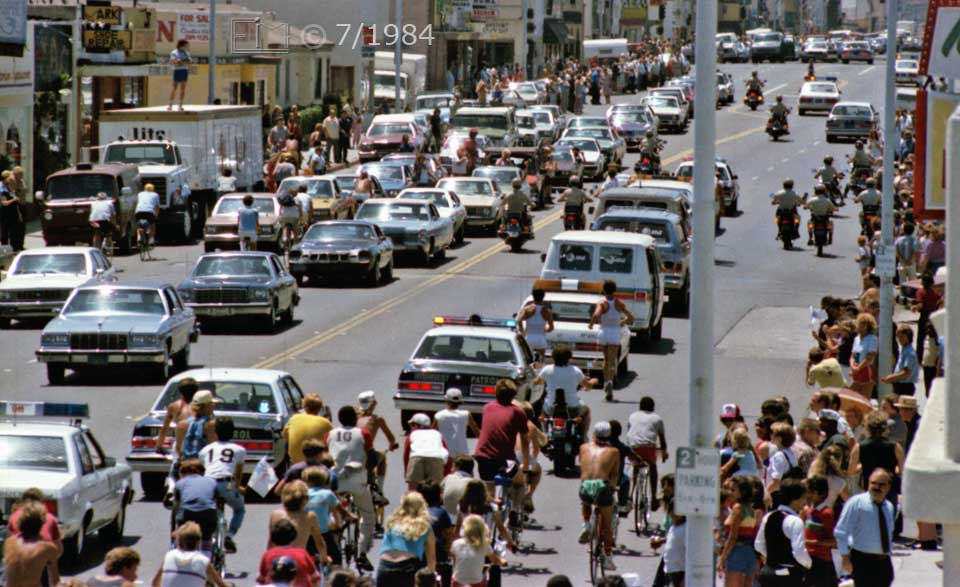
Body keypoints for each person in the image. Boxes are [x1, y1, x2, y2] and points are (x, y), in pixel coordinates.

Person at [327, 406, 376, 571]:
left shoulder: (330, 434)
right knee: (368, 515)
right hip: (356, 480)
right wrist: (370, 476)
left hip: (335, 480)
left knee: (331, 514)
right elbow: (372, 457)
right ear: (355, 419)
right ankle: (362, 553)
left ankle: (334, 546)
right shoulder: (363, 433)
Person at [835, 469, 895, 587]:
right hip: (863, 561)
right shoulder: (856, 503)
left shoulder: (889, 507)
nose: (876, 487)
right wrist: (845, 557)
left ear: (888, 487)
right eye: (873, 483)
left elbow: (888, 533)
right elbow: (841, 531)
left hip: (883, 562)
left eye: (881, 484)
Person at [198, 417, 246, 553]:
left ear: (216, 432)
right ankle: (230, 535)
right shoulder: (239, 450)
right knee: (239, 508)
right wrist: (238, 487)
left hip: (207, 484)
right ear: (232, 432)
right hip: (227, 484)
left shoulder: (205, 450)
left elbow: (203, 470)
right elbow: (238, 475)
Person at [578, 422, 621, 572]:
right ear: (609, 435)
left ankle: (586, 524)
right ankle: (608, 557)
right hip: (603, 486)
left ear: (594, 434)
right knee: (607, 525)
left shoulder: (583, 448)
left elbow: (582, 466)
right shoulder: (614, 451)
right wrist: (613, 487)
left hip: (586, 485)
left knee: (585, 498)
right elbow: (615, 474)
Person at [755, 478, 812, 586]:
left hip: (768, 572)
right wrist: (809, 564)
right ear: (795, 499)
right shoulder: (795, 521)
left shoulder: (768, 516)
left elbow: (758, 545)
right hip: (788, 576)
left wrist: (773, 558)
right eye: (804, 498)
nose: (805, 502)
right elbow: (799, 552)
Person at [376, 492, 437, 586]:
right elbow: (431, 558)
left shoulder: (392, 522)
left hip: (384, 567)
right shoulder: (424, 526)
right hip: (406, 569)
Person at [588, 280, 634, 401]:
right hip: (614, 332)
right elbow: (630, 318)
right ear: (614, 290)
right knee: (612, 359)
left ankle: (606, 381)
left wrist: (591, 324)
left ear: (604, 290)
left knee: (606, 359)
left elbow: (595, 315)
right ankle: (610, 381)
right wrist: (620, 322)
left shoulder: (602, 303)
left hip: (604, 332)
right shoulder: (619, 303)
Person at [534, 345, 598, 431]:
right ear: (569, 357)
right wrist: (594, 380)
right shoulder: (575, 370)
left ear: (553, 357)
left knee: (543, 411)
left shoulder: (547, 370)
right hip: (572, 407)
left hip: (551, 408)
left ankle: (545, 433)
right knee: (587, 411)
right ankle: (584, 435)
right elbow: (588, 385)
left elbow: (537, 382)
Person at [268, 480, 330, 565]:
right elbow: (320, 543)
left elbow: (270, 543)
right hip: (298, 560)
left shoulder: (275, 515)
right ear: (305, 499)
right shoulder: (310, 516)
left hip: (278, 560)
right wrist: (324, 558)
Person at [304, 465, 354, 565]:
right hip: (323, 534)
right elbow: (341, 510)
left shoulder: (302, 493)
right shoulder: (327, 493)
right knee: (336, 559)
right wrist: (351, 517)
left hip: (305, 536)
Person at [153, 522, 229, 587]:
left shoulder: (169, 556)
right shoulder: (203, 561)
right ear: (198, 542)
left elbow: (155, 583)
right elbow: (221, 585)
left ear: (178, 540)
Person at [626, 396, 668, 511]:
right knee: (653, 466)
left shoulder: (632, 416)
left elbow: (629, 433)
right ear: (653, 407)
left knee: (636, 466)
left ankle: (630, 496)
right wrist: (664, 453)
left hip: (633, 448)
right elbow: (662, 440)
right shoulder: (657, 418)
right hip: (648, 447)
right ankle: (654, 498)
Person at [717, 476, 759, 587]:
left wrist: (722, 557)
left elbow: (733, 536)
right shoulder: (751, 510)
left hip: (736, 553)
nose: (730, 493)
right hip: (749, 552)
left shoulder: (738, 509)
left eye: (733, 490)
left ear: (742, 492)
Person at [258, 519, 321, 587]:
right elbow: (315, 577)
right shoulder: (302, 553)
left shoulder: (267, 555)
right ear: (293, 535)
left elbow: (261, 579)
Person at [801, 475, 838, 587]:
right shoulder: (808, 511)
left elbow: (833, 541)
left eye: (810, 492)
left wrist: (812, 543)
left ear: (819, 494)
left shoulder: (826, 513)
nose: (807, 495)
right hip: (807, 558)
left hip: (821, 561)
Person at [450, 514, 505, 587]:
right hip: (476, 583)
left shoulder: (456, 543)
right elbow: (495, 560)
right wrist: (502, 562)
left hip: (458, 582)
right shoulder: (484, 545)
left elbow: (454, 562)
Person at [172, 459, 218, 544]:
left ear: (183, 473)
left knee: (183, 536)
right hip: (208, 512)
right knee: (206, 538)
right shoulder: (212, 481)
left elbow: (177, 506)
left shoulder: (180, 483)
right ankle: (207, 549)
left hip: (187, 513)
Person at [173, 390, 217, 476]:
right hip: (203, 467)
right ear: (206, 406)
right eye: (212, 404)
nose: (213, 406)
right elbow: (214, 448)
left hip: (186, 467)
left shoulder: (181, 425)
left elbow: (178, 449)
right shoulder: (211, 425)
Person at [283, 393, 333, 464]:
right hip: (317, 463)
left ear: (304, 406)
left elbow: (285, 435)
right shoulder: (325, 423)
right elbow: (332, 441)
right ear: (319, 408)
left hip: (295, 462)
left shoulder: (294, 418)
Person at [404, 413, 449, 490]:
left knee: (413, 492)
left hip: (416, 459)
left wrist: (407, 472)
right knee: (436, 491)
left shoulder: (412, 435)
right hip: (435, 459)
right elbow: (445, 452)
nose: (410, 428)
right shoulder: (437, 434)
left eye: (412, 425)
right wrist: (445, 472)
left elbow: (406, 454)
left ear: (418, 425)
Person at [765, 423, 803, 507]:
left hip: (776, 496)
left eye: (773, 433)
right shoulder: (791, 453)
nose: (770, 435)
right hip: (788, 495)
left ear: (779, 438)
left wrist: (765, 493)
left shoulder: (778, 456)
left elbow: (776, 481)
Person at [434, 389, 479, 460]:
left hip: (444, 454)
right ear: (460, 402)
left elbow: (432, 432)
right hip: (462, 455)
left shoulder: (439, 415)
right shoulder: (466, 414)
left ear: (446, 400)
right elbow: (476, 432)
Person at [516, 288, 554, 363]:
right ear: (543, 297)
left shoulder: (527, 309)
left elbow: (519, 320)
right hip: (540, 339)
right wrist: (545, 329)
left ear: (533, 296)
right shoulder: (546, 311)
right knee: (540, 362)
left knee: (527, 361)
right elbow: (551, 328)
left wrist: (523, 332)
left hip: (529, 338)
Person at [880, 325, 920, 396]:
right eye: (898, 337)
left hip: (905, 386)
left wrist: (891, 378)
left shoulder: (909, 353)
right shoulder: (904, 350)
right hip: (899, 385)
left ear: (908, 336)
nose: (900, 339)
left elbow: (906, 373)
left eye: (902, 337)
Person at [850, 313, 879, 399]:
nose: (861, 326)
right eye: (860, 323)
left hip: (866, 369)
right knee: (853, 396)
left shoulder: (872, 338)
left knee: (865, 398)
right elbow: (852, 355)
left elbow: (870, 356)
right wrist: (853, 367)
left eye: (864, 323)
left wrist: (858, 368)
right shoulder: (856, 338)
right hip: (855, 369)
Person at [661, 499, 687, 587]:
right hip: (670, 570)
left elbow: (690, 553)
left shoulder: (685, 529)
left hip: (680, 571)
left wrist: (685, 579)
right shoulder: (674, 527)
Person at [441, 456, 475, 520]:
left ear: (457, 467)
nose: (451, 469)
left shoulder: (448, 477)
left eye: (452, 466)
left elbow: (439, 492)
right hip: (465, 519)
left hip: (447, 517)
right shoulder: (473, 482)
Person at [168, 40, 191, 111]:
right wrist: (182, 61)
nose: (187, 47)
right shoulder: (174, 52)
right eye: (186, 45)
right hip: (177, 71)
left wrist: (180, 61)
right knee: (174, 88)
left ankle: (180, 105)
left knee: (183, 89)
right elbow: (173, 62)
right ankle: (170, 105)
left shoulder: (186, 53)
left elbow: (189, 62)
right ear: (182, 45)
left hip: (184, 70)